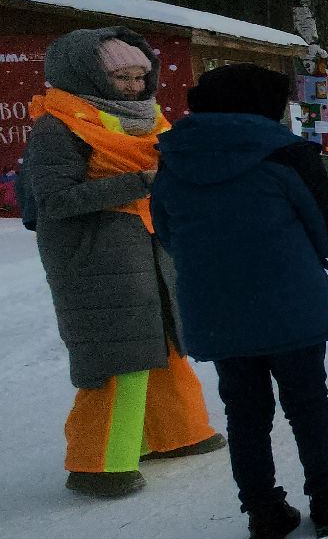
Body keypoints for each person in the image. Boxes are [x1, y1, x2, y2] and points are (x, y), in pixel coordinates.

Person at [151, 64, 328, 539]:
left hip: (217, 311)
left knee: (244, 414)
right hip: (289, 305)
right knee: (307, 404)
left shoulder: (174, 157)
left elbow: (167, 233)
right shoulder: (286, 154)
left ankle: (264, 517)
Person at [22, 27, 225, 498]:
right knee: (117, 357)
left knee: (164, 342)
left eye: (140, 76)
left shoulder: (146, 119)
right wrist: (140, 182)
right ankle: (97, 464)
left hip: (148, 250)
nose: (135, 87)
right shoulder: (58, 126)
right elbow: (53, 201)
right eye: (122, 78)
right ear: (86, 75)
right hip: (92, 259)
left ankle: (176, 433)